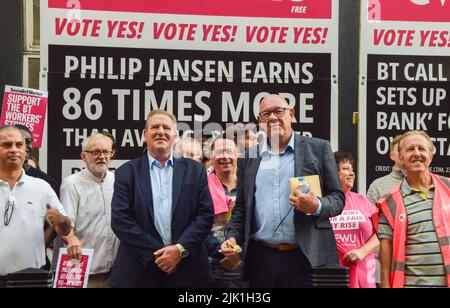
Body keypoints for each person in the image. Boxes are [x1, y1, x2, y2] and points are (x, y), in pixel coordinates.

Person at [221, 94, 345, 288]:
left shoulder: (319, 148)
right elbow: (242, 210)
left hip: (306, 257)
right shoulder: (248, 158)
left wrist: (316, 206)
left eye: (279, 111)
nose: (273, 118)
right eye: (266, 114)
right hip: (260, 258)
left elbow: (338, 198)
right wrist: (232, 237)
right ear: (260, 121)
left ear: (291, 114)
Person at [110, 110, 214, 288]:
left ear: (175, 135)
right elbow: (120, 220)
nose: (160, 131)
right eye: (154, 127)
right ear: (145, 135)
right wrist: (161, 255)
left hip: (189, 271)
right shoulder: (126, 172)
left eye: (166, 127)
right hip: (139, 271)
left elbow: (205, 216)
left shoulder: (195, 171)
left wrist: (179, 250)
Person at [378, 131, 450, 288]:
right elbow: (386, 245)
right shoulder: (390, 201)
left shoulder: (448, 188)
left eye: (422, 149)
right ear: (401, 160)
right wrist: (384, 284)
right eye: (410, 149)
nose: (417, 153)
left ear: (430, 156)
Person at [0, 126, 71, 283]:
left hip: (31, 279)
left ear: (26, 151)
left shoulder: (42, 186)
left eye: (19, 145)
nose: (14, 150)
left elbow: (65, 229)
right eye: (7, 145)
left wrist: (61, 221)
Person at [57, 132, 118, 288]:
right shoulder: (72, 184)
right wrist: (71, 239)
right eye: (95, 152)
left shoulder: (118, 181)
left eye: (106, 152)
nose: (102, 156)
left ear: (111, 154)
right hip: (82, 270)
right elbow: (65, 227)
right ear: (83, 156)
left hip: (116, 272)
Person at [331, 151, 379, 288]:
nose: (352, 173)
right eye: (346, 169)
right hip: (332, 276)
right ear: (333, 172)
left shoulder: (362, 201)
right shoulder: (322, 202)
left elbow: (382, 232)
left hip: (364, 278)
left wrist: (362, 251)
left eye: (352, 169)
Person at [205, 137, 243, 288]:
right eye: (219, 152)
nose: (224, 156)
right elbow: (195, 224)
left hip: (243, 267)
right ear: (211, 156)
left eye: (229, 151)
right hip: (209, 266)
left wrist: (239, 254)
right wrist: (220, 252)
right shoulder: (200, 186)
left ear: (238, 154)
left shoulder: (250, 185)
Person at [366, 134, 406, 205]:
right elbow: (370, 215)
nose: (403, 154)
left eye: (407, 150)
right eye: (399, 150)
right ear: (391, 156)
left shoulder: (427, 182)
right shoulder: (377, 186)